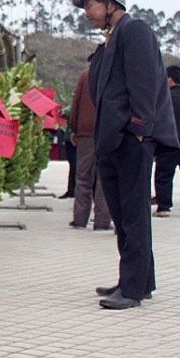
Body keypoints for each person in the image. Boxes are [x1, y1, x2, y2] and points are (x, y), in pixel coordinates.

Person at [72, 0, 178, 310]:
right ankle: (138, 280)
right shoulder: (111, 40)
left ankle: (132, 291)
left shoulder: (135, 31)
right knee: (123, 213)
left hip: (131, 138)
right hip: (114, 138)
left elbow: (144, 82)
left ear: (111, 4)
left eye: (91, 5)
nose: (87, 12)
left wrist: (139, 129)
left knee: (132, 214)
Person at [68, 61, 112, 231]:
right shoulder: (115, 73)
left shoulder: (86, 75)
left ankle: (80, 218)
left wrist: (74, 128)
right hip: (108, 130)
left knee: (83, 176)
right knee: (105, 177)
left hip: (86, 130)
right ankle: (102, 220)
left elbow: (76, 102)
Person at [151, 66, 180, 217]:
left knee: (164, 174)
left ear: (169, 79)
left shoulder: (163, 97)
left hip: (168, 140)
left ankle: (164, 206)